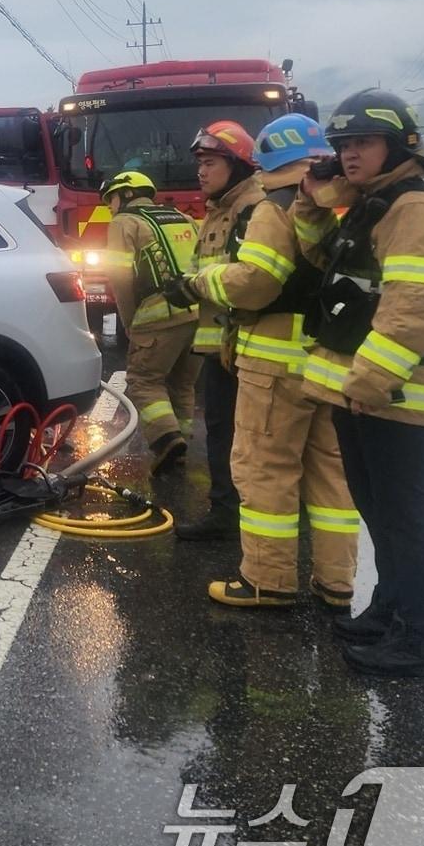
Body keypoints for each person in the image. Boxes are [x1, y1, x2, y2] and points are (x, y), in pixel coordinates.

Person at [294, 91, 424, 679]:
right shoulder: (371, 205)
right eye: (342, 145)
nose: (349, 154)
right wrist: (314, 198)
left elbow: (417, 307)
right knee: (380, 512)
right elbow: (320, 258)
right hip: (361, 394)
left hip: (392, 394)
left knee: (403, 516)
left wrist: (368, 381)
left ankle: (421, 638)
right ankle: (390, 611)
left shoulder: (413, 209)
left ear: (398, 144)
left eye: (361, 142)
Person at [183, 115, 359, 607]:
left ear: (263, 159)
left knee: (267, 470)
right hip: (330, 359)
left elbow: (257, 283)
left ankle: (268, 580)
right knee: (330, 476)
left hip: (275, 363)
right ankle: (336, 583)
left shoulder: (275, 205)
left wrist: (203, 282)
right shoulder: (343, 203)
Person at [168, 121, 265, 541]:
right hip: (222, 345)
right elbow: (205, 266)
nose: (201, 172)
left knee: (247, 438)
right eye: (200, 163)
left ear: (238, 164)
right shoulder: (218, 210)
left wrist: (192, 284)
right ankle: (225, 512)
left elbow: (249, 280)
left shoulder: (253, 209)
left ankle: (242, 518)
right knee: (223, 432)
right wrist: (182, 285)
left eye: (209, 162)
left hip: (247, 345)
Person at [99, 170, 200, 471]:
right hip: (199, 315)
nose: (111, 207)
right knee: (183, 384)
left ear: (126, 194)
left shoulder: (124, 222)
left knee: (144, 381)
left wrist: (130, 321)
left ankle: (167, 440)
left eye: (111, 200)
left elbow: (120, 277)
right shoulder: (184, 218)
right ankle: (180, 443)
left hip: (158, 315)